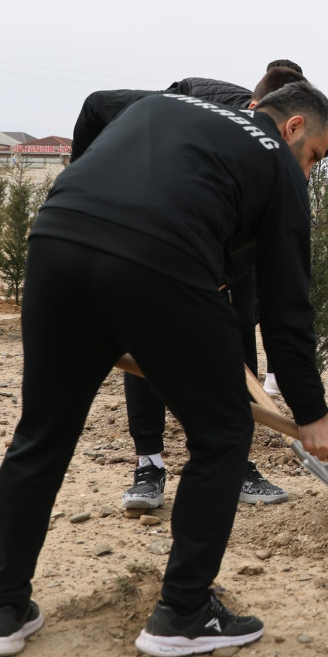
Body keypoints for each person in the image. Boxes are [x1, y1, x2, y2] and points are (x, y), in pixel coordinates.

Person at [0, 80, 328, 657]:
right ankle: (184, 611)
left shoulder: (159, 104)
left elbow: (96, 104)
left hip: (57, 239)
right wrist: (312, 414)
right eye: (316, 157)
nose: (309, 172)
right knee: (223, 434)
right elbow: (286, 306)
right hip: (159, 261)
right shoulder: (276, 160)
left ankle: (1, 610)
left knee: (42, 433)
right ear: (294, 126)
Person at [71, 65, 305, 510]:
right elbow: (97, 105)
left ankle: (237, 464)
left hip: (229, 240)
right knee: (144, 346)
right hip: (159, 238)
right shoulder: (183, 110)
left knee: (237, 342)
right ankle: (149, 464)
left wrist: (223, 274)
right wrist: (78, 179)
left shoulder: (279, 154)